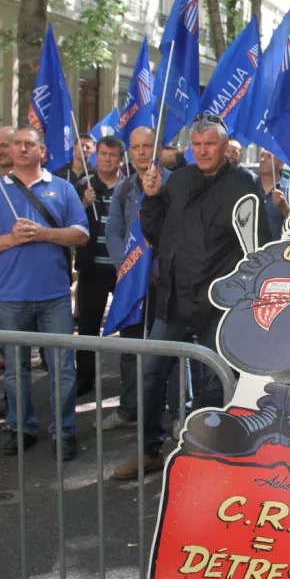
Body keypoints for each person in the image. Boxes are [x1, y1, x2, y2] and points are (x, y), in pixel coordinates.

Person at [109, 115, 268, 479]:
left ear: (224, 147)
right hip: (172, 299)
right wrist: (150, 200)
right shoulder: (178, 180)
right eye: (196, 145)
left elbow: (257, 246)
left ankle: (209, 457)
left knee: (214, 384)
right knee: (151, 374)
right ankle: (148, 450)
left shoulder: (244, 185)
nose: (202, 151)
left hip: (217, 305)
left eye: (209, 144)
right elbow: (156, 232)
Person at [0, 125, 89, 460]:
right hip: (9, 296)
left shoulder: (63, 189)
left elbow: (80, 234)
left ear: (42, 151)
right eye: (16, 144)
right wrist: (13, 239)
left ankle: (64, 431)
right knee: (15, 369)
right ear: (8, 150)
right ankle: (21, 428)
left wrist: (43, 234)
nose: (22, 149)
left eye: (29, 144)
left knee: (62, 368)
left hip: (53, 295)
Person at [101, 126, 172, 428]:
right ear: (128, 153)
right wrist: (127, 266)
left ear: (157, 149)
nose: (142, 153)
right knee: (130, 349)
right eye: (136, 148)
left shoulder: (176, 184)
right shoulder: (124, 188)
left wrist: (157, 270)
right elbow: (113, 231)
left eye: (147, 146)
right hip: (131, 281)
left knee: (167, 347)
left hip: (166, 281)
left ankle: (172, 412)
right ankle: (129, 408)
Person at [74, 135, 124, 399]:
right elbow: (67, 222)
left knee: (129, 324)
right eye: (103, 154)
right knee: (88, 326)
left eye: (113, 155)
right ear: (96, 156)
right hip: (92, 268)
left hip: (122, 269)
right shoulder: (83, 186)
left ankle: (130, 379)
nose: (107, 159)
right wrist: (83, 204)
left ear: (120, 159)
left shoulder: (128, 187)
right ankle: (84, 378)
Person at [255, 148, 290, 241]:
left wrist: (284, 207)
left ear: (281, 164)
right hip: (251, 252)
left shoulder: (289, 188)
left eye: (269, 157)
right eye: (261, 156)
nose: (262, 160)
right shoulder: (249, 186)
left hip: (278, 251)